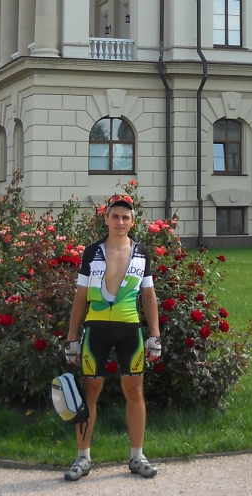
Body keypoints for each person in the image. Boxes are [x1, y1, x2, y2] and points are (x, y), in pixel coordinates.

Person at [62, 193, 162, 482]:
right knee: (89, 394)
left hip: (130, 329)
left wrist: (155, 335)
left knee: (134, 392)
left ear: (132, 222)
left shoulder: (141, 252)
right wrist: (71, 338)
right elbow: (81, 296)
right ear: (106, 219)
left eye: (125, 217)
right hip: (96, 330)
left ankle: (137, 456)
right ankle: (83, 457)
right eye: (115, 216)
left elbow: (148, 294)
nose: (120, 221)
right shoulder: (92, 251)